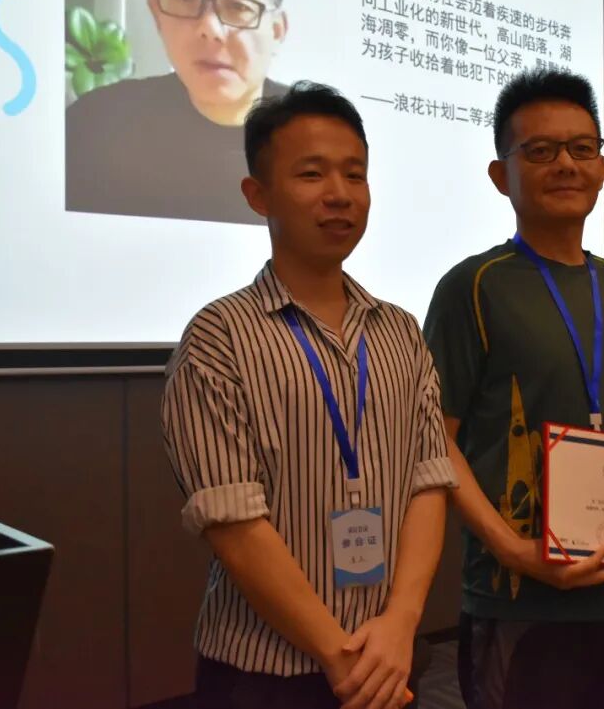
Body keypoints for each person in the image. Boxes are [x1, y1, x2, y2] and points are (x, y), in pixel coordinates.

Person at [423, 68, 604, 709]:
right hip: (517, 596)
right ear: (501, 175)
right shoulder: (473, 286)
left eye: (582, 148)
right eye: (540, 150)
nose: (565, 164)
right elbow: (434, 442)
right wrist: (513, 550)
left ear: (602, 167)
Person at [161, 81, 456, 709]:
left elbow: (429, 484)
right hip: (262, 676)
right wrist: (340, 656)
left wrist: (402, 623)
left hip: (389, 657)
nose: (339, 194)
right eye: (311, 174)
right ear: (258, 195)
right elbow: (233, 523)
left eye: (355, 174)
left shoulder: (401, 331)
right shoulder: (218, 337)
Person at [67, 0, 290, 224]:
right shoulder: (92, 125)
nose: (210, 28)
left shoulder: (316, 133)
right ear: (156, 12)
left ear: (276, 30)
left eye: (238, 6)